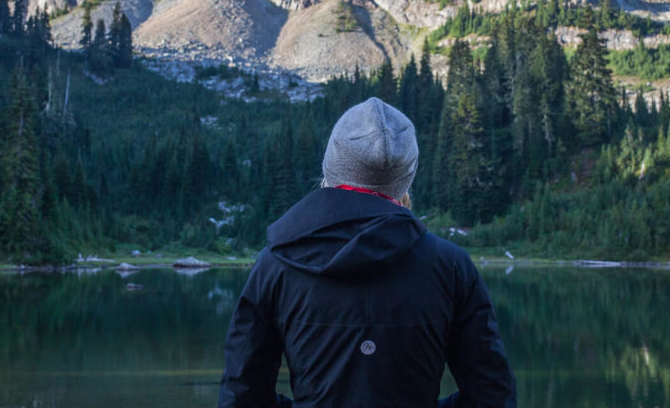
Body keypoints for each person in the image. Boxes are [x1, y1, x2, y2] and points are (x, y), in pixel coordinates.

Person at [218, 97, 516, 407]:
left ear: (332, 169)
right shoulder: (451, 266)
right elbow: (492, 396)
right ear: (404, 180)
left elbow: (241, 397)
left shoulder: (276, 264)